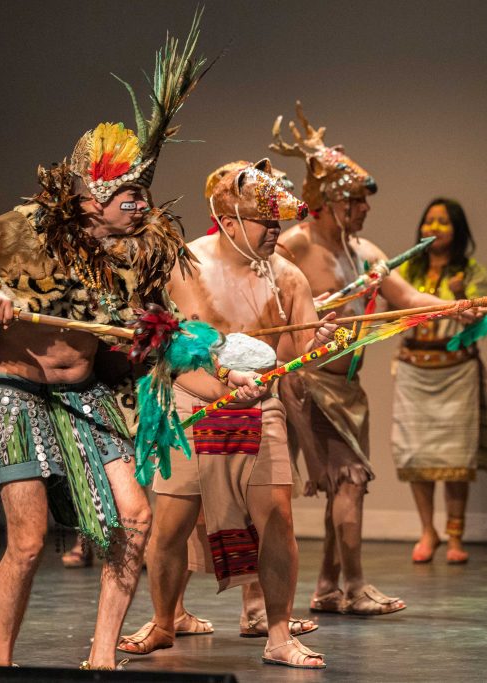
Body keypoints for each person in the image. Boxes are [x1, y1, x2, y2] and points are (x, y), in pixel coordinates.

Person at [0, 31, 210, 669]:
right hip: (18, 396)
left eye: (143, 197)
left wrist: (193, 355)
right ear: (91, 201)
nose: (143, 208)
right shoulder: (24, 230)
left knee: (135, 518)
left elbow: (160, 331)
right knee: (27, 542)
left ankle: (102, 656)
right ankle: (0, 664)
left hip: (88, 395)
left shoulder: (136, 253)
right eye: (130, 198)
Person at [118, 159, 330, 668]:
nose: (275, 231)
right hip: (189, 403)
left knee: (277, 518)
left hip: (258, 407)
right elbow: (160, 342)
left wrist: (318, 341)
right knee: (170, 525)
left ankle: (277, 634)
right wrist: (215, 380)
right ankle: (164, 622)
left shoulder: (287, 277)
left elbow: (296, 353)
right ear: (230, 223)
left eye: (278, 222)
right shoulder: (183, 266)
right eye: (265, 222)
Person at [270, 103, 473, 615]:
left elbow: (405, 297)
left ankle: (327, 586)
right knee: (345, 482)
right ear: (328, 202)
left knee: (345, 484)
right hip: (307, 382)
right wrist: (306, 322)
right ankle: (351, 585)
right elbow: (268, 309)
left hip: (347, 386)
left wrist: (453, 307)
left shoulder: (363, 252)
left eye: (364, 201)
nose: (364, 209)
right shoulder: (293, 247)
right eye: (355, 200)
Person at [393, 198, 487, 564]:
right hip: (414, 370)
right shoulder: (408, 271)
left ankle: (454, 536)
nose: (434, 227)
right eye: (429, 220)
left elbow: (483, 319)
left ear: (458, 229)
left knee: (455, 456)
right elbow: (392, 308)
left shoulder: (470, 271)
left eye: (443, 222)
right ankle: (427, 530)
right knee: (416, 453)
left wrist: (462, 294)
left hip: (456, 371)